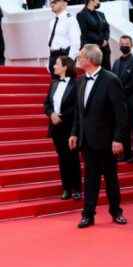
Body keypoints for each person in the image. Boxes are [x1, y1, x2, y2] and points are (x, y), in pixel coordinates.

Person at [67, 45, 128, 229]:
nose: (77, 58)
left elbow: (121, 112)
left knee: (111, 178)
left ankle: (116, 212)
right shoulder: (80, 81)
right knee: (90, 179)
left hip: (107, 140)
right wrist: (74, 133)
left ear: (90, 59)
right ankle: (88, 214)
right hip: (87, 140)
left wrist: (118, 138)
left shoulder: (111, 80)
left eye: (81, 56)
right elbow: (79, 112)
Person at [44, 56, 81, 201]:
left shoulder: (76, 84)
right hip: (56, 127)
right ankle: (66, 188)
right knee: (62, 158)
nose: (54, 66)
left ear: (65, 67)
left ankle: (76, 188)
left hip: (70, 126)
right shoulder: (53, 83)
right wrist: (51, 114)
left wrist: (62, 116)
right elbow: (47, 103)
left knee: (72, 157)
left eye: (57, 64)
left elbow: (77, 107)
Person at [112, 36, 133, 163]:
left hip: (131, 102)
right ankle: (126, 153)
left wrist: (119, 94)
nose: (124, 45)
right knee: (123, 128)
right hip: (118, 103)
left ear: (131, 45)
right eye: (122, 43)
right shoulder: (116, 62)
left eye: (126, 43)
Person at [47, 0, 80, 76]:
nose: (52, 4)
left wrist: (69, 62)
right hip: (53, 57)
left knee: (66, 85)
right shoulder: (52, 22)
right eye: (51, 2)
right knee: (55, 86)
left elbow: (76, 43)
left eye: (55, 1)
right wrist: (49, 60)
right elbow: (51, 43)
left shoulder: (70, 19)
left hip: (64, 57)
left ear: (64, 3)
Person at [77, 0, 111, 71]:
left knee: (106, 72)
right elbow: (85, 32)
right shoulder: (81, 15)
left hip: (104, 49)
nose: (99, 1)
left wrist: (105, 40)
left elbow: (106, 28)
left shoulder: (101, 14)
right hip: (91, 50)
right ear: (91, 1)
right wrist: (101, 41)